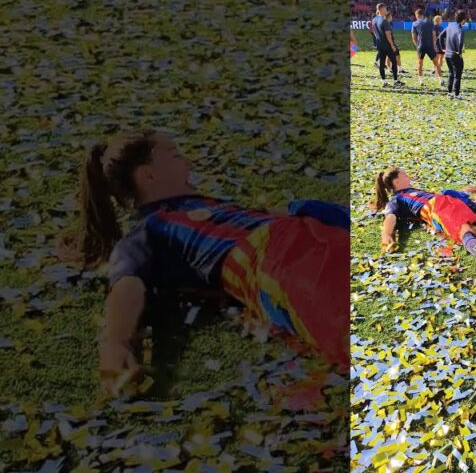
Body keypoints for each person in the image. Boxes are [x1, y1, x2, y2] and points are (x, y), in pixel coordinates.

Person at [63, 130, 350, 394]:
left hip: (313, 237)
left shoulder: (209, 205)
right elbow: (126, 284)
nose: (188, 163)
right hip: (277, 261)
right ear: (148, 176)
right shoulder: (151, 230)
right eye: (175, 156)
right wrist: (116, 342)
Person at [438, 10, 468, 99]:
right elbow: (461, 41)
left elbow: (440, 36)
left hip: (447, 55)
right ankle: (457, 94)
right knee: (458, 75)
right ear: (463, 19)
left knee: (451, 73)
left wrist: (443, 48)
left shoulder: (450, 25)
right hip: (455, 55)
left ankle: (449, 92)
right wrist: (459, 51)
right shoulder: (460, 29)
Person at [372, 3, 403, 87]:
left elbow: (374, 32)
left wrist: (379, 39)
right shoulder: (384, 21)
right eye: (385, 9)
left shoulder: (374, 20)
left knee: (381, 63)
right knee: (394, 61)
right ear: (381, 9)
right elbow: (388, 34)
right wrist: (392, 45)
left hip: (379, 44)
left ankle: (384, 82)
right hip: (387, 45)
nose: (386, 10)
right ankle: (396, 81)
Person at [412, 8, 443, 87]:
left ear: (417, 15)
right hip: (429, 45)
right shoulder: (429, 22)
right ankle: (441, 79)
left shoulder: (415, 23)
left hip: (421, 46)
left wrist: (417, 45)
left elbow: (413, 37)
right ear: (423, 15)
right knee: (436, 62)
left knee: (420, 63)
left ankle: (421, 81)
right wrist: (433, 45)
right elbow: (434, 35)